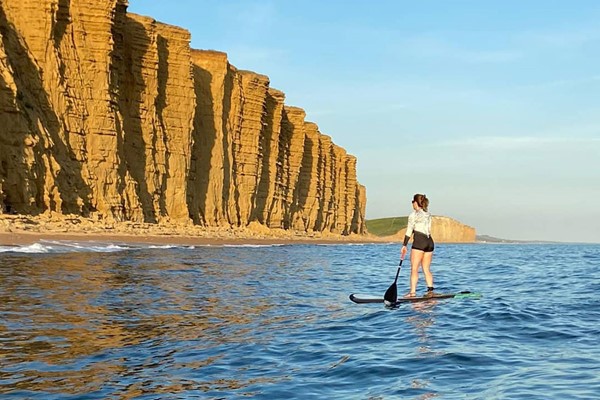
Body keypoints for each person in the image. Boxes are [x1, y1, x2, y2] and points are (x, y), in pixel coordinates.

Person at [400, 194, 435, 297]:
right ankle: (430, 291)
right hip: (430, 242)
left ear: (416, 203)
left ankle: (412, 293)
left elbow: (409, 231)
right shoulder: (428, 214)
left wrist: (404, 245)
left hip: (419, 241)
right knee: (426, 268)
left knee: (414, 268)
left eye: (412, 202)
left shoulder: (413, 215)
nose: (412, 204)